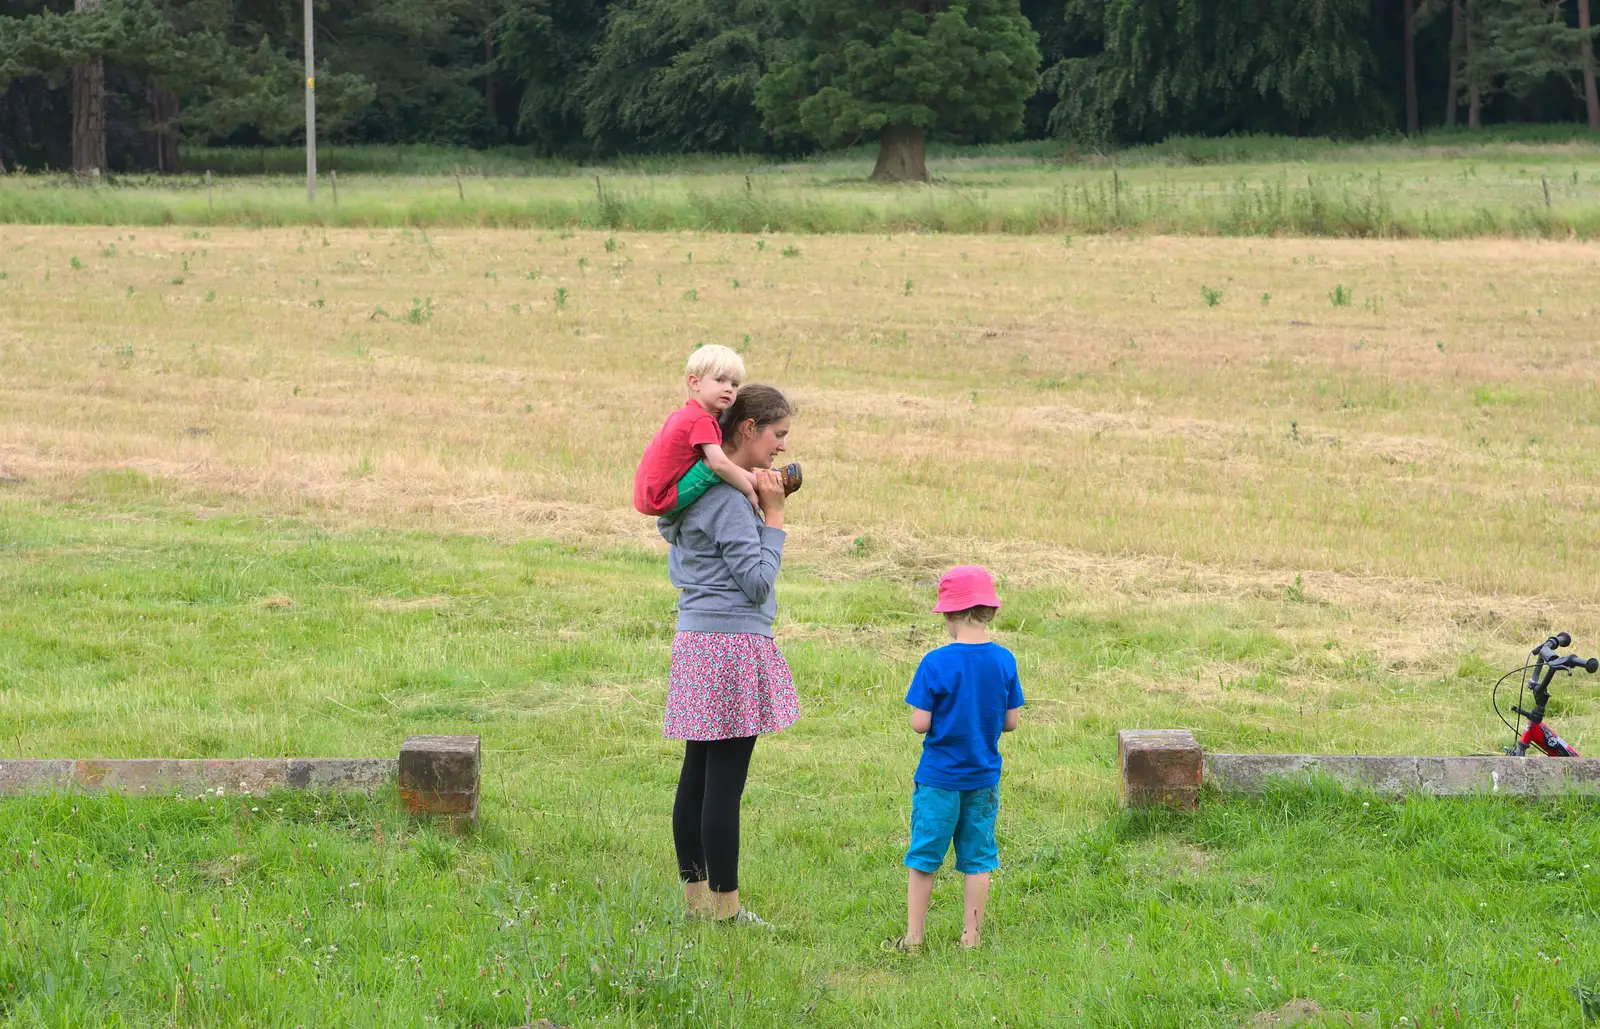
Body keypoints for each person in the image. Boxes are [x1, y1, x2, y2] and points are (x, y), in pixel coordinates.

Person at [658, 384, 800, 925]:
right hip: (734, 647)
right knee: (724, 788)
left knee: (696, 775)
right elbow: (758, 583)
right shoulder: (733, 506)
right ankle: (725, 910)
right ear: (748, 430)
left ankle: (695, 901)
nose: (782, 448)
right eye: (777, 435)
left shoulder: (695, 492)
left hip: (697, 641)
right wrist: (775, 517)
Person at [885, 565, 1024, 953]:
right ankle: (971, 937)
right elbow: (1011, 722)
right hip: (983, 778)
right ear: (991, 612)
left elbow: (919, 723)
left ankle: (913, 938)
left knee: (925, 856)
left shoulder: (935, 662)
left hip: (938, 779)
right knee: (979, 858)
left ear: (949, 614)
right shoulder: (1004, 660)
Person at [634, 345, 761, 519]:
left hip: (649, 495)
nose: (729, 388)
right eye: (720, 380)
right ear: (695, 382)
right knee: (712, 464)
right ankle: (762, 483)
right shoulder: (701, 420)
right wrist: (748, 490)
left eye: (734, 384)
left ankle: (762, 479)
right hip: (661, 500)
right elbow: (719, 465)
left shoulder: (687, 413)